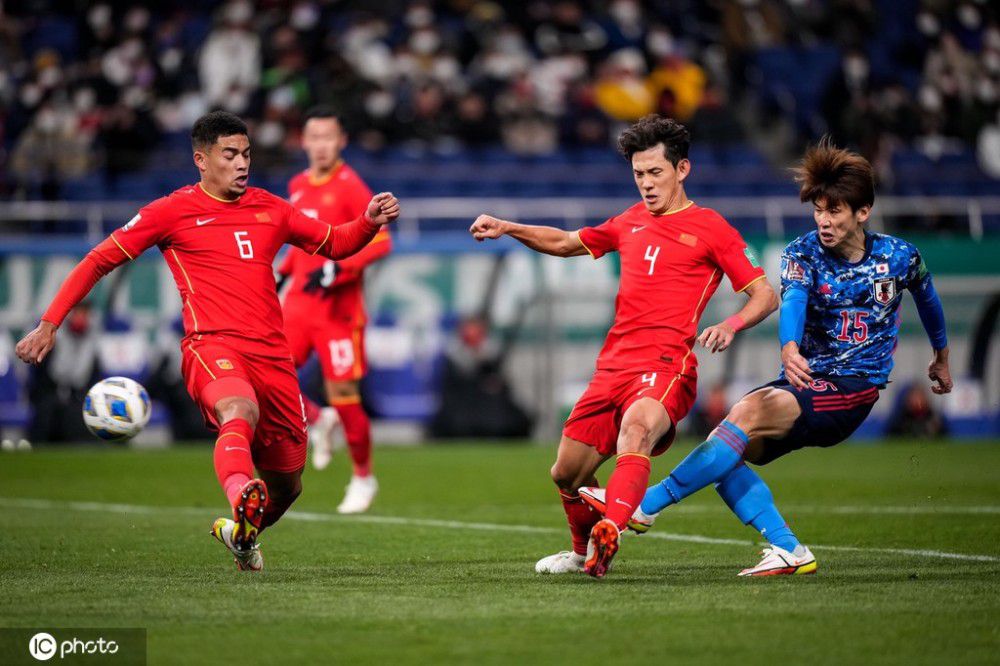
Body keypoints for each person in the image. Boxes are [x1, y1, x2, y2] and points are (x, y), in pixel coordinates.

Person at [15, 111, 400, 571]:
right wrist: (50, 322)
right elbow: (99, 259)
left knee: (289, 486)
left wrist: (368, 220)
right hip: (211, 345)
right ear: (201, 159)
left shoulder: (270, 208)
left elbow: (335, 243)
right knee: (238, 411)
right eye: (230, 154)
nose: (242, 164)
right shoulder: (171, 212)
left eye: (247, 154)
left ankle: (241, 534)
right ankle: (241, 492)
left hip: (274, 359)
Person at [581, 139, 952, 576]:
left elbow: (928, 300)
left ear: (862, 212)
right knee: (725, 449)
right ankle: (789, 549)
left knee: (748, 412)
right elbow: (791, 300)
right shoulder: (802, 252)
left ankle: (646, 505)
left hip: (854, 386)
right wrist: (789, 346)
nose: (824, 221)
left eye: (834, 211)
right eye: (818, 210)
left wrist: (941, 355)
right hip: (801, 376)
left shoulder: (900, 257)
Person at [469, 114, 778, 578]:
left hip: (666, 365)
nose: (647, 185)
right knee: (566, 474)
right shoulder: (629, 221)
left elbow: (765, 294)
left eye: (656, 173)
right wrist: (507, 227)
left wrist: (731, 324)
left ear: (683, 170)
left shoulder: (712, 227)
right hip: (612, 368)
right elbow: (565, 242)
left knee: (635, 430)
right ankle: (582, 552)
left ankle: (610, 527)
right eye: (638, 174)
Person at [277, 106, 391, 514]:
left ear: (341, 142)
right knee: (270, 376)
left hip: (339, 312)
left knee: (345, 393)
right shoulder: (297, 185)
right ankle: (318, 418)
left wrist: (336, 270)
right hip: (298, 306)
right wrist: (281, 273)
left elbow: (380, 242)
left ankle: (363, 477)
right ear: (303, 142)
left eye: (330, 137)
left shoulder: (350, 186)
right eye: (315, 137)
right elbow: (300, 243)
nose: (322, 145)